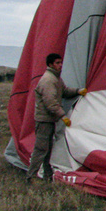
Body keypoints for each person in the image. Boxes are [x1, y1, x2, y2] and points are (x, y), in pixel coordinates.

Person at [26, 53, 86, 182]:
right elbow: (50, 103)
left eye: (61, 62)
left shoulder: (56, 78)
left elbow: (64, 91)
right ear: (50, 64)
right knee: (41, 149)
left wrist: (77, 91)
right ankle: (30, 177)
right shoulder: (48, 80)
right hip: (44, 121)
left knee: (47, 149)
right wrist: (63, 116)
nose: (61, 65)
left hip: (49, 120)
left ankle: (47, 176)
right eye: (57, 63)